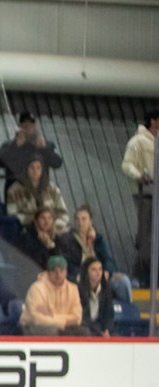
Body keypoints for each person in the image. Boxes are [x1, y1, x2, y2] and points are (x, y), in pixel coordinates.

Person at [121, 109, 157, 284]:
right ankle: (142, 276)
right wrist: (139, 176)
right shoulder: (138, 141)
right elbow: (127, 164)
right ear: (153, 121)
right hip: (147, 195)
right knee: (146, 237)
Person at [0, 112, 63, 201]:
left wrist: (45, 148)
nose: (28, 129)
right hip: (16, 193)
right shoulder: (9, 145)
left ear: (35, 127)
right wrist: (16, 146)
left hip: (40, 192)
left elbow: (58, 163)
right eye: (25, 126)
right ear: (19, 127)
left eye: (31, 126)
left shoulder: (47, 144)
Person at [20, 255, 82, 336]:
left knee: (84, 332)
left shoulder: (73, 289)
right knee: (50, 330)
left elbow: (77, 318)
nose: (58, 274)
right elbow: (37, 319)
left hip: (63, 327)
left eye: (61, 270)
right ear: (48, 272)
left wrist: (52, 316)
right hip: (32, 326)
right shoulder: (37, 288)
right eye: (54, 270)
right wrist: (64, 321)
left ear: (66, 272)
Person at [7, 157, 70, 232]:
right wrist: (35, 221)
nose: (35, 171)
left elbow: (63, 213)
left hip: (54, 230)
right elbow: (12, 215)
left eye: (38, 167)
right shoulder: (14, 190)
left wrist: (53, 226)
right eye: (32, 167)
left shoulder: (52, 189)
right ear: (26, 169)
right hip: (27, 230)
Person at [18, 208, 81, 278]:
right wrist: (44, 245)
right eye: (43, 218)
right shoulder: (28, 236)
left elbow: (61, 259)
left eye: (49, 218)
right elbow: (38, 261)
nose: (46, 221)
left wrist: (50, 245)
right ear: (36, 221)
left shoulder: (56, 238)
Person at [77, 257, 117, 338]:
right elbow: (82, 317)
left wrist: (107, 330)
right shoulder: (78, 290)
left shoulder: (106, 289)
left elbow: (109, 315)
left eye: (100, 269)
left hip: (100, 327)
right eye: (93, 270)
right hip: (86, 328)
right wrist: (99, 332)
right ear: (86, 272)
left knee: (116, 337)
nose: (98, 273)